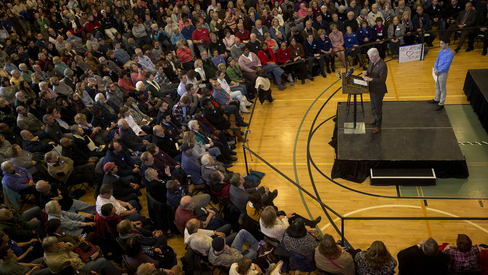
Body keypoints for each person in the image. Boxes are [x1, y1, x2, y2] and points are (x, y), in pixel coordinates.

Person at [362, 48, 387, 134]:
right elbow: (370, 71)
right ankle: (375, 120)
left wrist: (370, 79)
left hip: (378, 90)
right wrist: (366, 73)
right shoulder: (372, 61)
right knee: (373, 106)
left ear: (377, 56)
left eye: (372, 57)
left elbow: (382, 80)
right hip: (372, 89)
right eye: (369, 57)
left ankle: (378, 125)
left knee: (378, 108)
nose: (370, 59)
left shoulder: (382, 65)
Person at [427, 37, 454, 111]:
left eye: (442, 44)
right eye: (440, 43)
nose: (440, 45)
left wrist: (438, 70)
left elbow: (446, 65)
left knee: (442, 88)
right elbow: (437, 60)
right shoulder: (441, 51)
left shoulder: (450, 54)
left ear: (447, 44)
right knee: (437, 86)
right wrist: (435, 68)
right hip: (437, 71)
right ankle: (436, 99)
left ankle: (441, 103)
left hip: (443, 73)